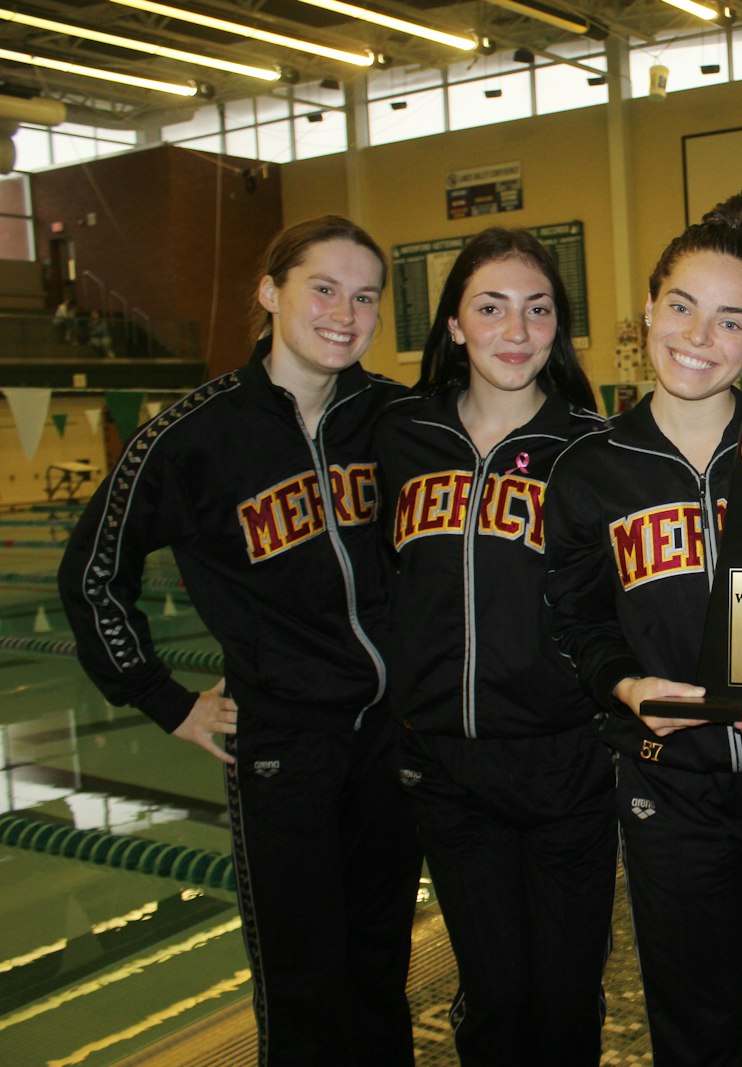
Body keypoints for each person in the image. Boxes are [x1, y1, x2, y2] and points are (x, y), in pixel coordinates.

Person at [57, 216, 423, 1065]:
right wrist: (165, 699)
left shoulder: (396, 417)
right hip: (283, 747)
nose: (345, 311)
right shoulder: (194, 434)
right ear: (270, 292)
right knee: (303, 987)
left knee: (380, 967)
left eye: (364, 296)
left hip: (391, 742)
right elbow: (91, 572)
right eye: (322, 288)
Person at [544, 193, 742, 1067]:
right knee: (692, 1020)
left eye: (730, 319)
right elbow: (576, 617)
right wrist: (625, 686)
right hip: (668, 787)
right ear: (647, 308)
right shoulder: (592, 470)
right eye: (681, 306)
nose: (698, 336)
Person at [372, 228, 613, 1065]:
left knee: (565, 999)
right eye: (492, 306)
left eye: (537, 309)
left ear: (558, 327)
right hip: (447, 771)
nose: (516, 329)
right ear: (453, 326)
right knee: (495, 1000)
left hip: (567, 765)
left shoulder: (594, 449)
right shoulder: (401, 439)